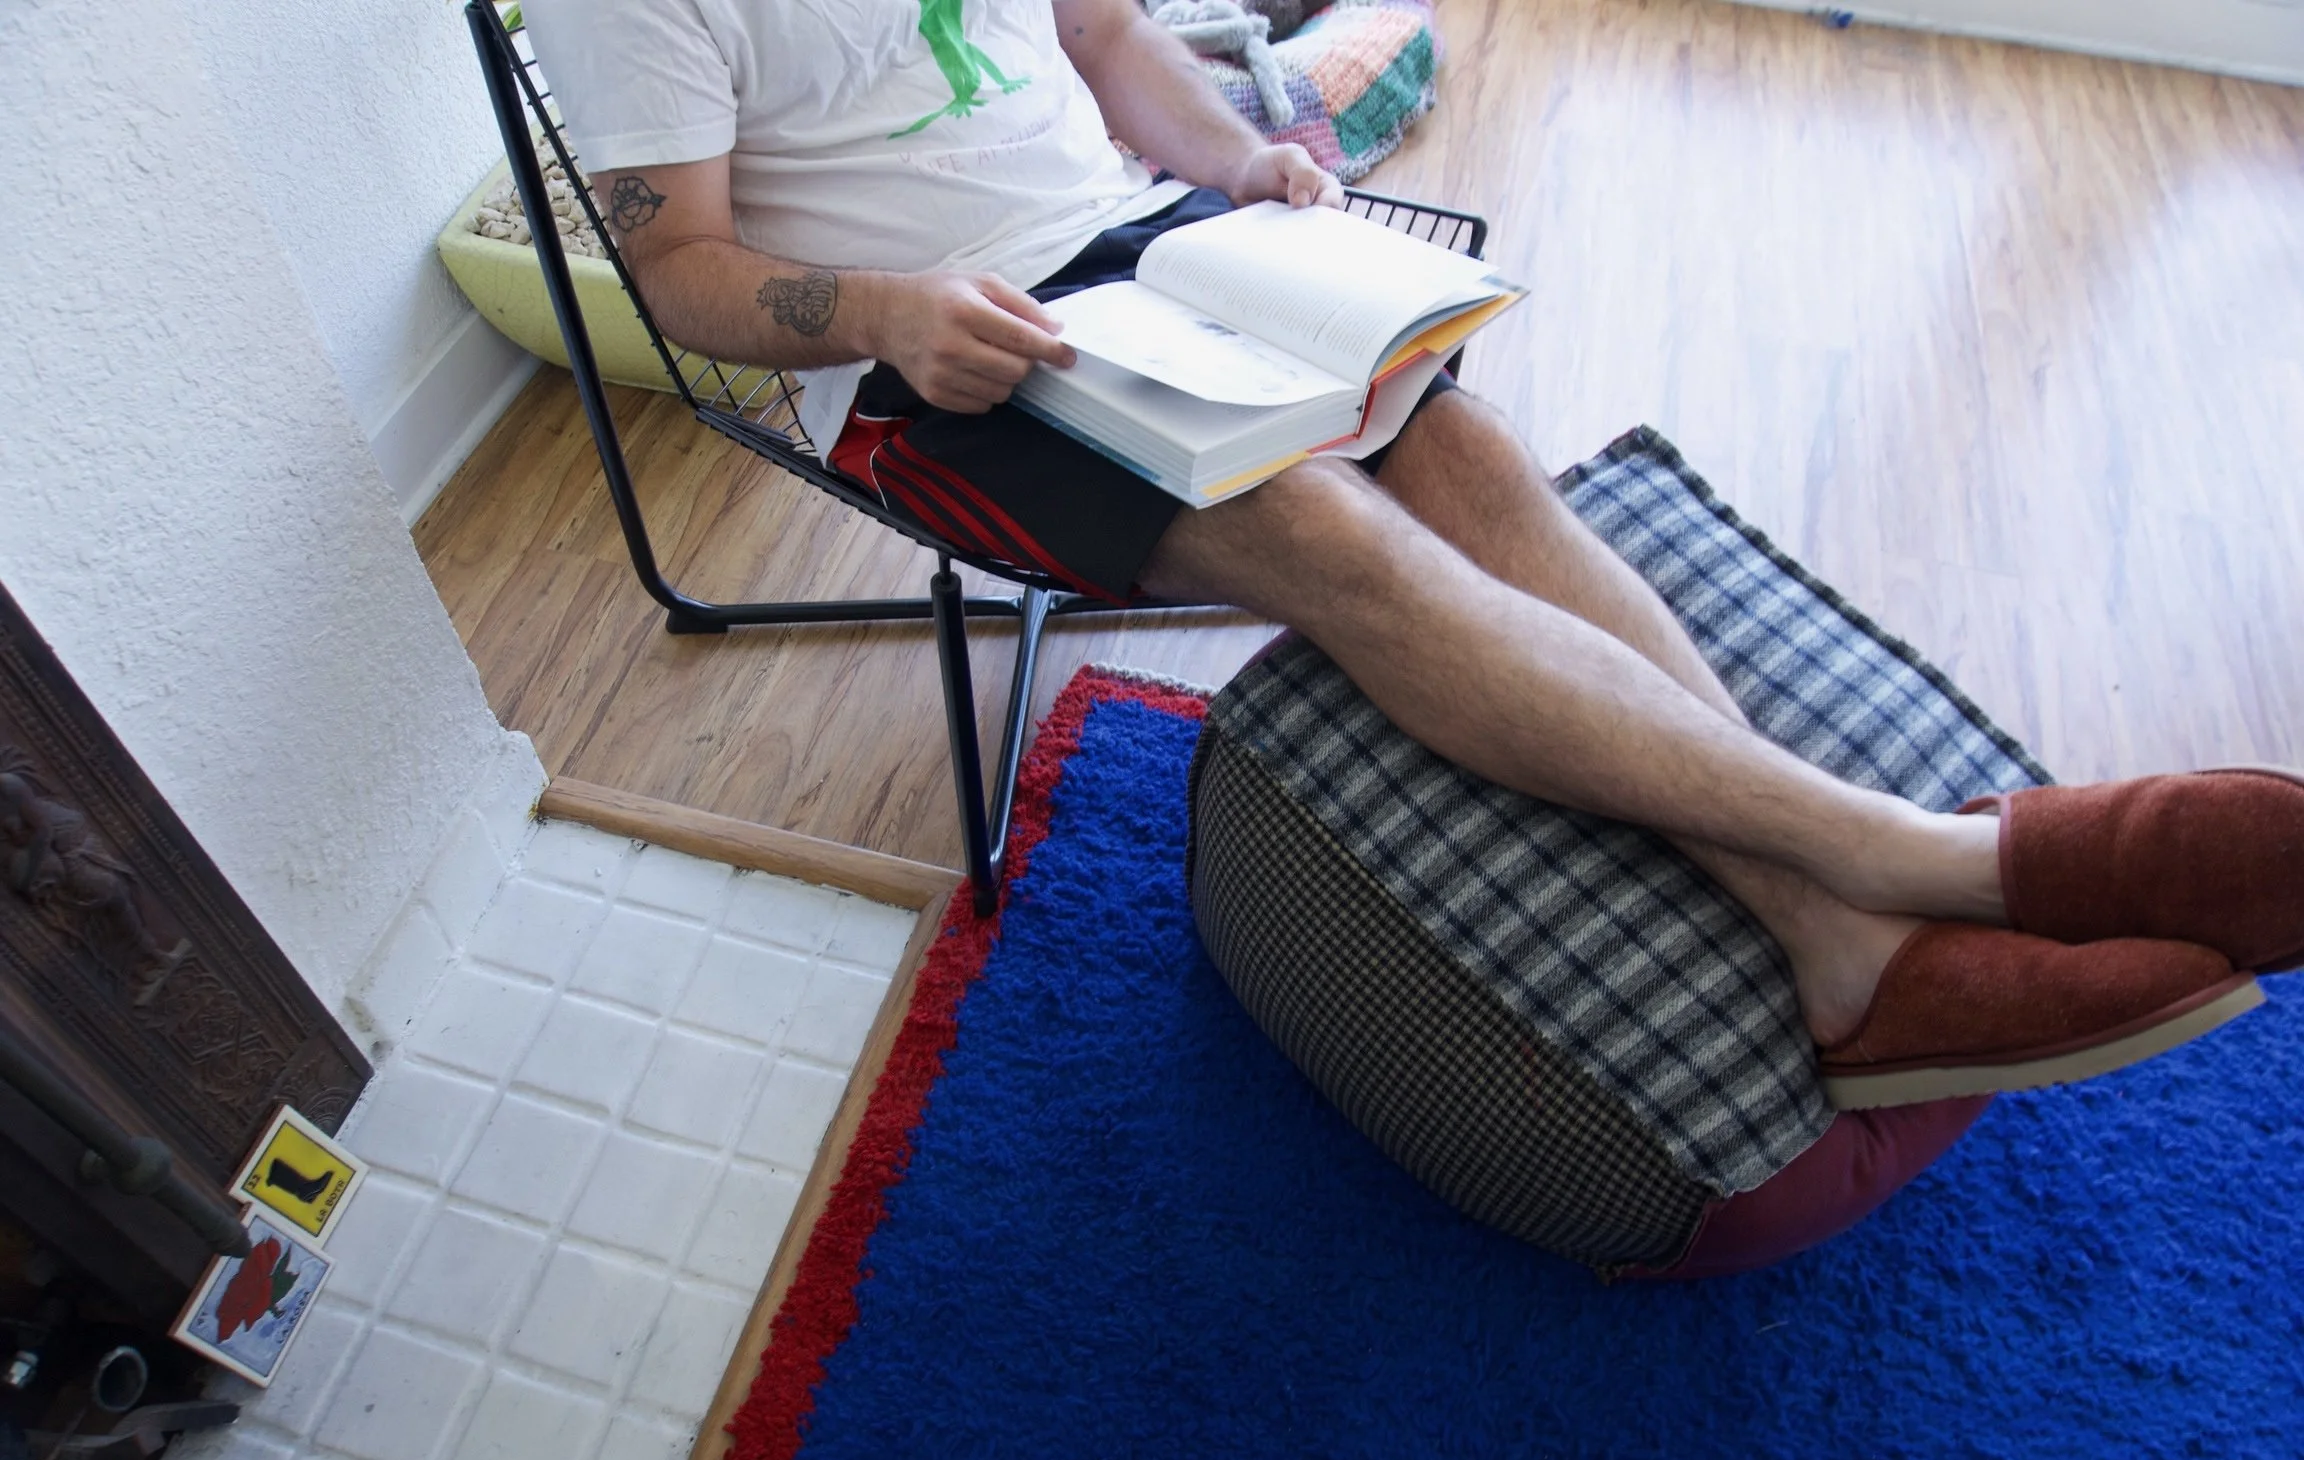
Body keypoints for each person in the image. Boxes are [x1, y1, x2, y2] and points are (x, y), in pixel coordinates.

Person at [521, 0, 2303, 1109]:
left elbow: (1102, 33)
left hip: (1144, 246)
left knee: (1469, 452)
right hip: (936, 365)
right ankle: (1918, 864)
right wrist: (893, 313)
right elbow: (676, 267)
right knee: (1323, 531)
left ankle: (1840, 940)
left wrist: (1248, 167)